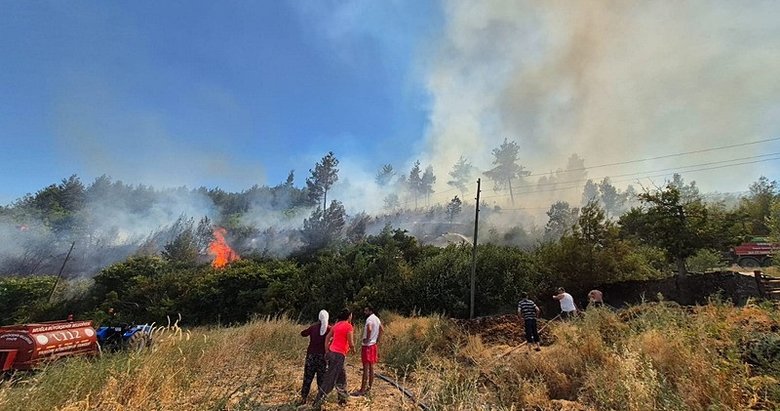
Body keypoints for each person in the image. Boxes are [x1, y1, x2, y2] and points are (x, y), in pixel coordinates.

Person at [312, 309, 354, 409]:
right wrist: (353, 349)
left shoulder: (336, 325)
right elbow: (350, 342)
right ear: (349, 316)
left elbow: (327, 337)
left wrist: (327, 350)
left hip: (332, 352)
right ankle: (318, 401)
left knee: (341, 377)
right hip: (339, 355)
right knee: (330, 379)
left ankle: (342, 399)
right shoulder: (348, 326)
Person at [298, 310, 331, 405]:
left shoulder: (313, 327)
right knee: (321, 379)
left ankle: (303, 398)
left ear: (319, 318)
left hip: (311, 356)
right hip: (323, 357)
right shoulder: (329, 329)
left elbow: (303, 333)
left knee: (307, 378)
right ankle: (320, 400)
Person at [354, 305, 383, 396]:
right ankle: (369, 388)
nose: (364, 312)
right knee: (371, 368)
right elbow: (382, 329)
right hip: (373, 345)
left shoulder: (369, 319)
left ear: (370, 311)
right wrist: (377, 339)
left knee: (365, 368)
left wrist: (367, 339)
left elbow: (369, 329)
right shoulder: (377, 319)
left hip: (367, 346)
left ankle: (362, 389)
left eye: (366, 311)